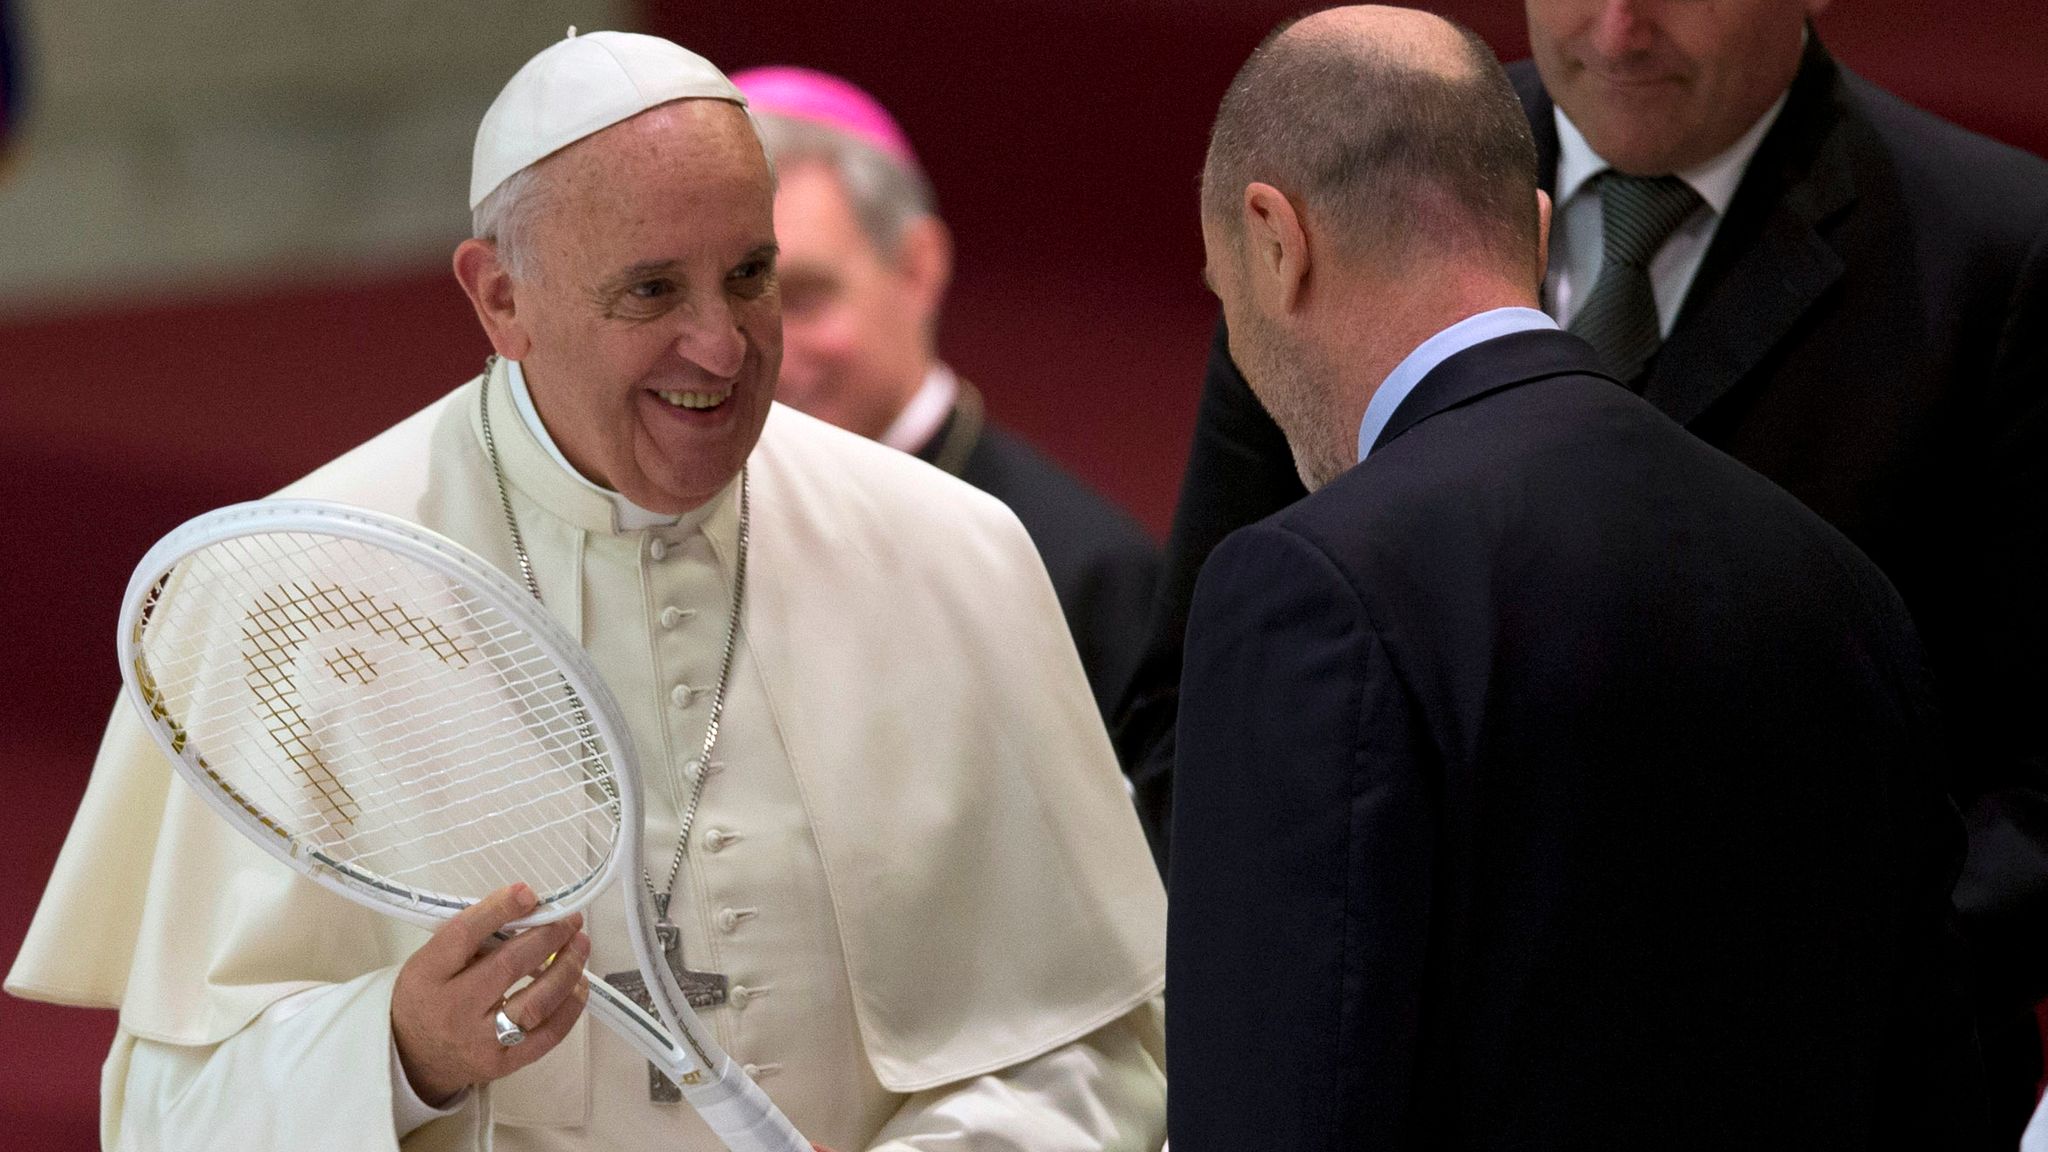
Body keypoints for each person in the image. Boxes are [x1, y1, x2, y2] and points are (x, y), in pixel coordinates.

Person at [4, 31, 1166, 1152]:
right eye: (651, 292)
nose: (720, 347)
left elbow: (1100, 1042)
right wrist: (400, 1053)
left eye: (749, 276)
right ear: (499, 299)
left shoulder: (946, 552)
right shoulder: (282, 600)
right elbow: (166, 1117)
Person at [1120, 0, 2048, 1129]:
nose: (1614, 31)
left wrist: (1731, 1013)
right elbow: (1204, 704)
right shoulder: (1362, 149)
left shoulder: (1995, 250)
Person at [726, 66, 1159, 727]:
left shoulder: (1079, 569)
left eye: (805, 297)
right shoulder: (672, 529)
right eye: (733, 299)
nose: (761, 351)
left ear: (916, 268)